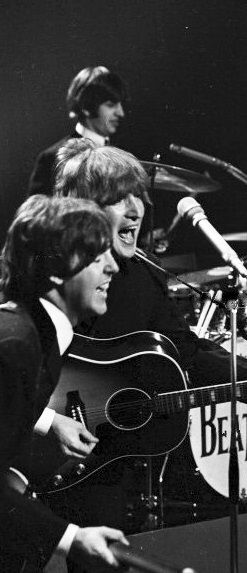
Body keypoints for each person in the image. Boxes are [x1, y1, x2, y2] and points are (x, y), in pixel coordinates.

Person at [52, 138, 247, 530]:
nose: (135, 209)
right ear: (82, 211)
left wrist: (242, 368)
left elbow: (186, 351)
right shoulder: (42, 270)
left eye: (138, 196)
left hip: (103, 466)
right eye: (119, 198)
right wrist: (48, 421)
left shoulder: (144, 273)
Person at [0, 194, 129, 571]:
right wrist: (71, 538)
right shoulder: (15, 346)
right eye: (97, 256)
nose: (113, 268)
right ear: (55, 269)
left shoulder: (36, 332)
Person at [28, 66, 126, 196]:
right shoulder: (52, 158)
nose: (121, 113)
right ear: (87, 107)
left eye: (120, 105)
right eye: (111, 105)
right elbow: (38, 213)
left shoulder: (122, 156)